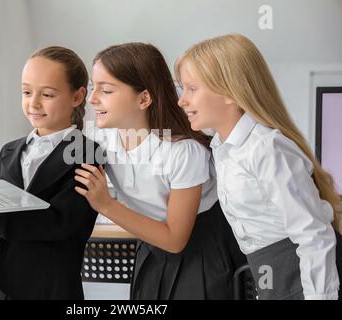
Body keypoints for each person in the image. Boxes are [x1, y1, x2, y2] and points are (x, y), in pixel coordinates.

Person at [175, 33, 342, 300]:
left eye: (192, 89)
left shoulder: (266, 148)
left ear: (230, 91)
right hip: (271, 275)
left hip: (306, 278)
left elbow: (314, 235)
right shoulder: (221, 146)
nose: (182, 100)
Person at [75, 42, 246, 299]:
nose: (92, 98)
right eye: (92, 87)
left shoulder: (183, 152)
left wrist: (106, 205)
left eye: (106, 90)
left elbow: (175, 240)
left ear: (143, 98)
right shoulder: (101, 142)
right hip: (153, 248)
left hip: (201, 254)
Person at [0, 46, 104, 299]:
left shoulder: (86, 152)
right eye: (26, 92)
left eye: (47, 94)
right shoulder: (8, 151)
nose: (33, 103)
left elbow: (58, 224)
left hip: (46, 289)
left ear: (77, 97)